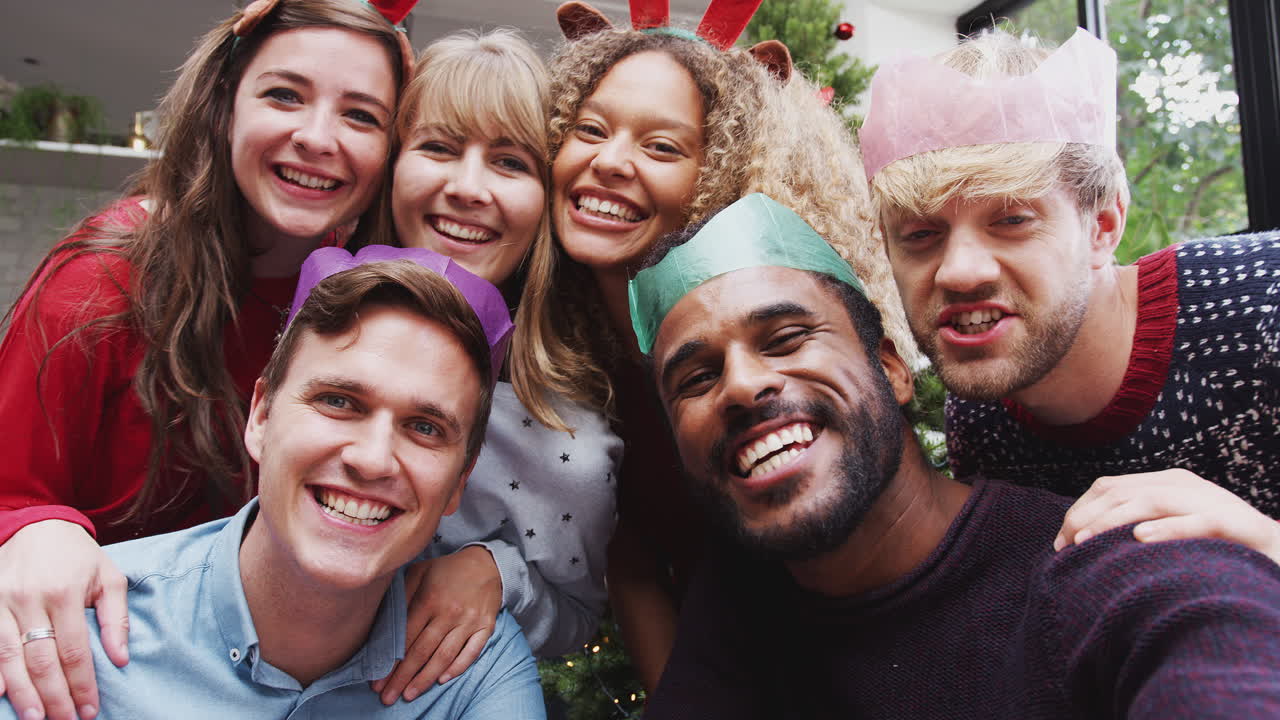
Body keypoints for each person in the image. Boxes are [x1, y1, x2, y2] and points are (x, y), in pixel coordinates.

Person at [636, 193, 1280, 720]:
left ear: (891, 370)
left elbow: (1206, 642)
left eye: (785, 337)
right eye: (695, 379)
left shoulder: (1096, 559)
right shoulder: (739, 600)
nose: (743, 385)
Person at [0, 2, 412, 719]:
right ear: (224, 106)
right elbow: (11, 487)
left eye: (361, 116)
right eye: (284, 95)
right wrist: (34, 526)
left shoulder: (377, 311)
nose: (317, 138)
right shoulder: (103, 284)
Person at [513, 0, 915, 691]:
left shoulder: (791, 346)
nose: (609, 162)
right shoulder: (556, 347)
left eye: (661, 146)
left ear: (721, 174)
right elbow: (633, 565)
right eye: (590, 130)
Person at [0, 246, 546, 720]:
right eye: (338, 401)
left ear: (458, 483)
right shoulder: (73, 632)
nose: (374, 459)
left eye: (424, 428)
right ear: (260, 417)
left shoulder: (471, 671)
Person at [860, 28, 1280, 560]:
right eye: (921, 235)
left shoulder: (1265, 301)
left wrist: (1265, 540)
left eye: (1012, 219)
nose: (959, 272)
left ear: (1103, 226)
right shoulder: (980, 419)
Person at [370, 30, 620, 704]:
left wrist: (497, 570)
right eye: (439, 148)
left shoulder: (571, 434)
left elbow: (578, 615)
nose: (468, 188)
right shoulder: (303, 327)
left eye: (510, 162)